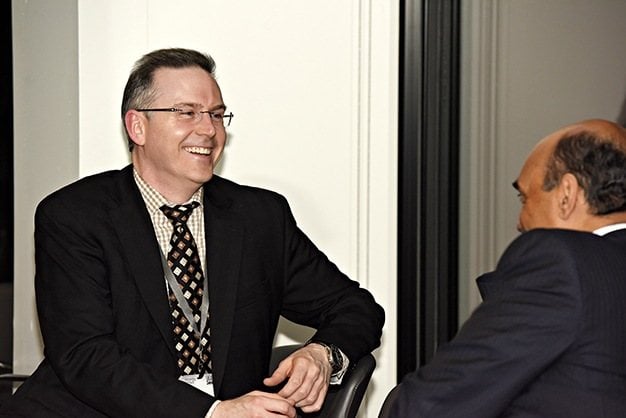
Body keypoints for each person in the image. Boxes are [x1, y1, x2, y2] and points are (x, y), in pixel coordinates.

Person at [0, 48, 384, 418]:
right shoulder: (75, 216)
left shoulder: (259, 218)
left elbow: (356, 307)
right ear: (137, 126)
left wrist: (323, 353)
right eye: (186, 112)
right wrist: (211, 412)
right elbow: (86, 356)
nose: (208, 130)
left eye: (216, 115)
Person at [387, 119, 626, 417]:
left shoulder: (560, 261)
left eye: (524, 197)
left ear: (567, 194)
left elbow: (434, 403)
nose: (519, 222)